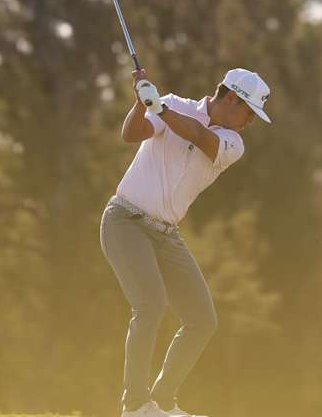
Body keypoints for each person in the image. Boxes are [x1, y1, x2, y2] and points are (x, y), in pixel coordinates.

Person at [99, 68, 271, 417]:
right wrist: (139, 104)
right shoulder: (174, 104)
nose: (249, 122)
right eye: (249, 112)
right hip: (124, 221)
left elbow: (197, 134)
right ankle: (135, 406)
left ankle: (161, 402)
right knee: (150, 305)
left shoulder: (232, 143)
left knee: (202, 319)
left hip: (166, 233)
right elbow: (132, 133)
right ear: (232, 98)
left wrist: (158, 107)